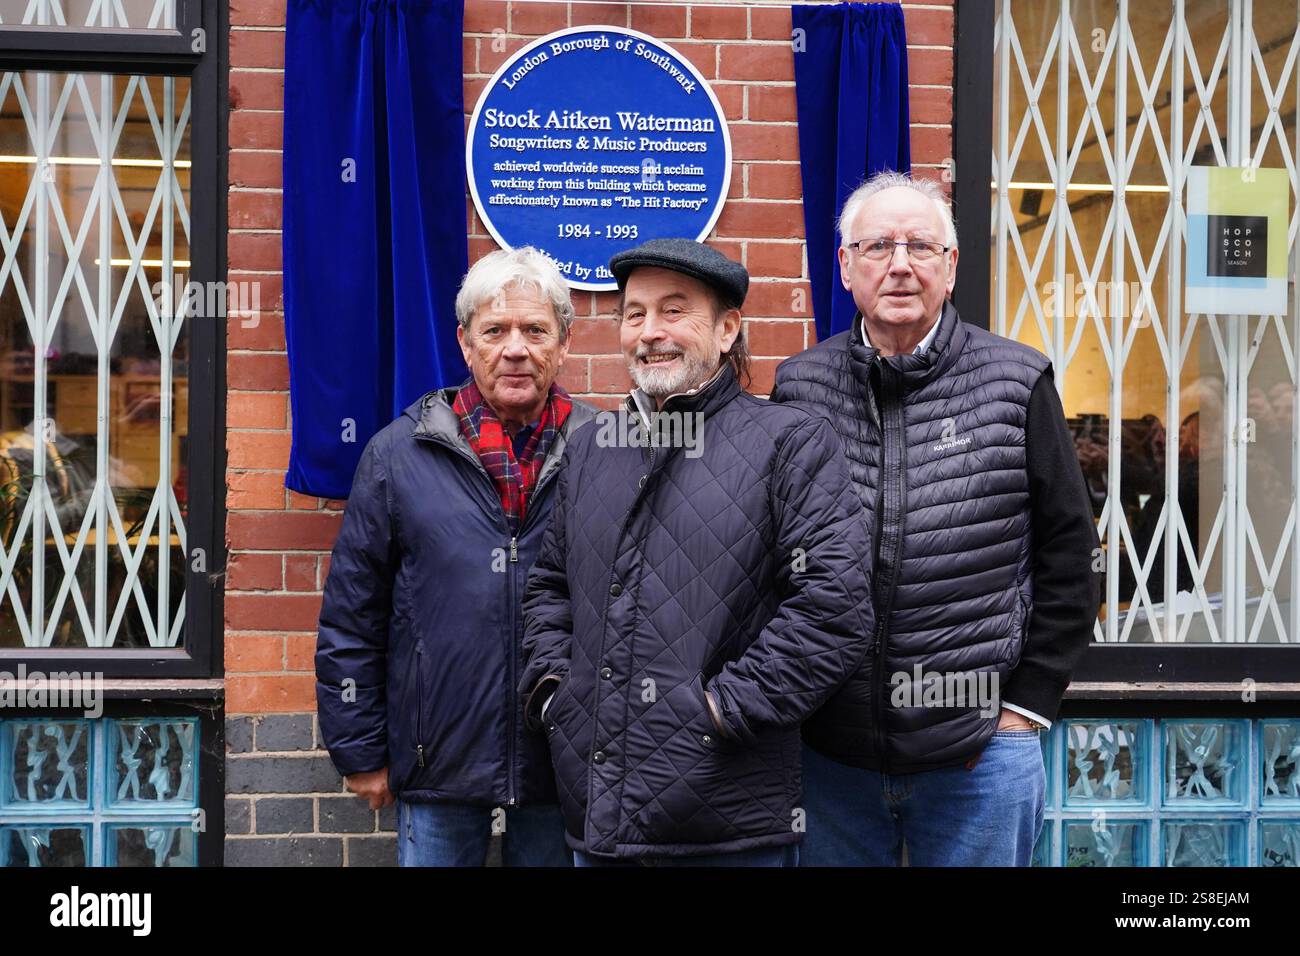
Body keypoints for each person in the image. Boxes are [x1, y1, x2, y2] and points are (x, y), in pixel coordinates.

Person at [773, 171, 1101, 866]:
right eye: (878, 247)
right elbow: (770, 554)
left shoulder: (1016, 382)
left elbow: (1070, 554)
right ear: (846, 266)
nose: (899, 264)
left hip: (980, 756)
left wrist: (1027, 707)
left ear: (950, 268)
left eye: (920, 246)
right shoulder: (798, 387)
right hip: (831, 759)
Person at [518, 238, 874, 866]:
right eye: (634, 313)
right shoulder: (593, 447)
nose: (650, 332)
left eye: (674, 310)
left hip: (729, 824)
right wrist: (554, 691)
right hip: (596, 821)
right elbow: (549, 585)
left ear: (728, 327)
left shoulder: (787, 443)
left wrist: (719, 711)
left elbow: (834, 609)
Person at [315, 247, 595, 866]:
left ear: (564, 343)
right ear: (466, 344)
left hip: (564, 759)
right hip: (435, 756)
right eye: (495, 331)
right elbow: (352, 617)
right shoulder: (398, 456)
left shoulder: (606, 451)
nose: (515, 348)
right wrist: (360, 750)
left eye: (535, 330)